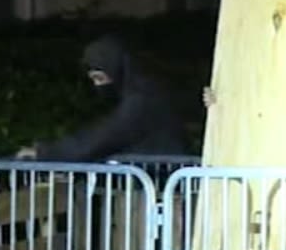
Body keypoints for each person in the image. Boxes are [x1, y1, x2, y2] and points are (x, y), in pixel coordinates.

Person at [17, 35, 188, 163]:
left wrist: (46, 152)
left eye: (100, 78)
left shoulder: (141, 99)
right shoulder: (142, 91)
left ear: (115, 70)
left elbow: (104, 136)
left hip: (159, 186)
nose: (98, 85)